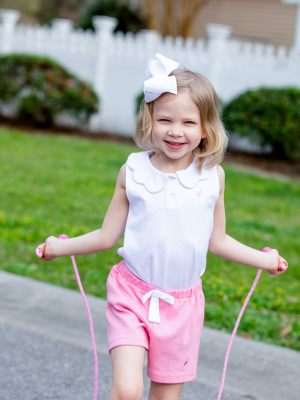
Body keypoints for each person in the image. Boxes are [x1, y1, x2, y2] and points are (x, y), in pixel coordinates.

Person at [38, 53, 288, 400]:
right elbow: (106, 235)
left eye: (188, 122)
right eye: (165, 119)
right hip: (131, 295)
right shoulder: (133, 172)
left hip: (183, 307)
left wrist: (266, 261)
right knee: (127, 390)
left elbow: (217, 240)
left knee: (165, 397)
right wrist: (56, 246)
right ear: (149, 120)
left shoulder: (212, 177)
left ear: (205, 129)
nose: (175, 131)